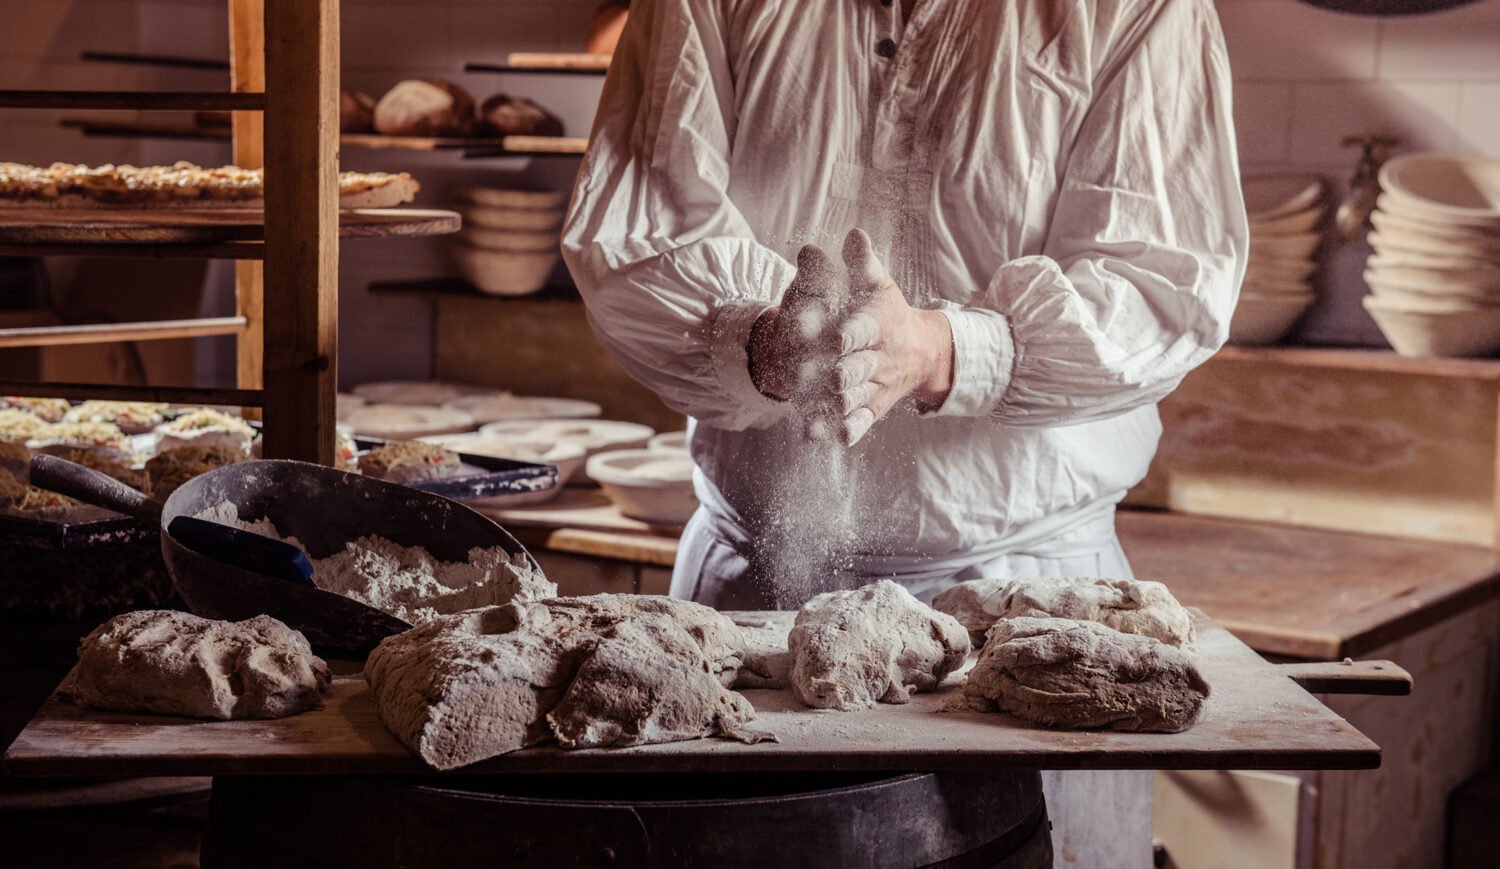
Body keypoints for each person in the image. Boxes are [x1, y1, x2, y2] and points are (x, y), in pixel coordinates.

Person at [563, 1, 1245, 862]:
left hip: (1028, 606)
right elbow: (641, 227)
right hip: (750, 601)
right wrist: (758, 339)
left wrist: (943, 348)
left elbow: (1162, 282)